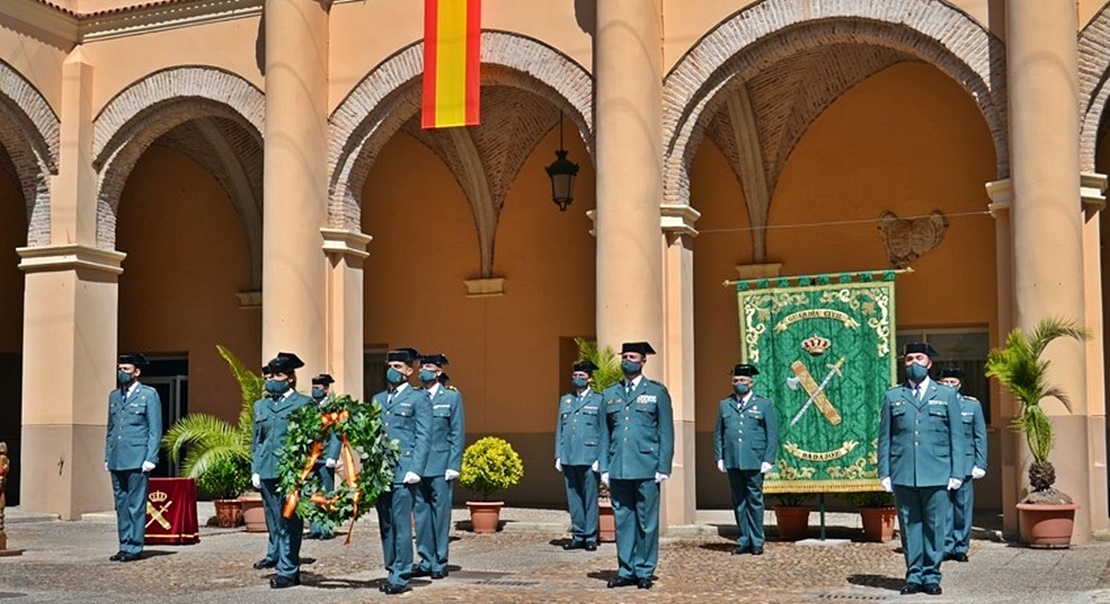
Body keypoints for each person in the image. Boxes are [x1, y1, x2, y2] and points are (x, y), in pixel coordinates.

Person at [878, 342, 966, 596]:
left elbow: (956, 438)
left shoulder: (946, 395)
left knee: (935, 526)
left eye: (919, 358)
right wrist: (885, 471)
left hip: (937, 471)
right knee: (909, 526)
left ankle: (931, 575)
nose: (913, 363)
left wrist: (957, 472)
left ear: (930, 363)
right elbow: (886, 436)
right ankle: (914, 575)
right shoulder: (893, 396)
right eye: (908, 359)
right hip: (903, 471)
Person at [599, 342, 674, 590]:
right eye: (624, 356)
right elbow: (604, 433)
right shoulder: (610, 393)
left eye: (632, 357)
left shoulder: (656, 392)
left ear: (643, 361)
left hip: (647, 467)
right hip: (619, 466)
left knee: (647, 522)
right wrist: (604, 467)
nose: (626, 361)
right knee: (623, 521)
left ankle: (644, 570)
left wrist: (663, 466)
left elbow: (666, 432)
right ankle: (626, 569)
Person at [250, 352, 313, 589]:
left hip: (290, 472)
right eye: (271, 375)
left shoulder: (303, 404)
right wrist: (255, 468)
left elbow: (312, 440)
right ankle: (285, 565)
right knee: (274, 521)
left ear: (289, 378)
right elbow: (256, 440)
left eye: (277, 375)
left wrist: (305, 470)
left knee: (290, 521)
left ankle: (288, 569)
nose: (271, 379)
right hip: (266, 469)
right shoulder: (261, 405)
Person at [374, 348, 432, 595]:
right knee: (385, 523)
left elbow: (423, 435)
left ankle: (401, 574)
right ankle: (391, 567)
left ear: (410, 371)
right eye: (390, 365)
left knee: (400, 523)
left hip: (404, 470)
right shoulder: (378, 399)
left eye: (398, 366)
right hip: (382, 472)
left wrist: (416, 468)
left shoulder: (418, 399)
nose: (392, 370)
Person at [714, 363, 779, 555]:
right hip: (733, 459)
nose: (738, 383)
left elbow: (772, 433)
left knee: (755, 500)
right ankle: (743, 539)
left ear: (751, 382)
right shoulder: (725, 404)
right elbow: (719, 432)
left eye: (742, 380)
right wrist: (719, 456)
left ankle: (757, 541)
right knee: (739, 501)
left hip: (754, 459)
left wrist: (769, 459)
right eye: (735, 380)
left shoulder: (763, 404)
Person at [105, 353, 162, 563]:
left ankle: (134, 546)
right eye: (120, 369)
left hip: (138, 458)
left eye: (126, 369)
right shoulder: (114, 396)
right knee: (121, 504)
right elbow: (111, 429)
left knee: (136, 504)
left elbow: (155, 429)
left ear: (136, 372)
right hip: (117, 458)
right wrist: (107, 455)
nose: (121, 373)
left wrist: (151, 457)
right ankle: (123, 544)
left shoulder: (148, 395)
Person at [413, 353, 465, 580]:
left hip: (441, 463)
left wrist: (454, 463)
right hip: (417, 466)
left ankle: (440, 560)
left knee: (441, 515)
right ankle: (425, 559)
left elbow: (457, 431)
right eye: (421, 367)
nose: (423, 371)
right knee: (421, 514)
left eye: (428, 367)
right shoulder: (414, 396)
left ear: (439, 372)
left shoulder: (451, 397)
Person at [938, 367, 987, 563]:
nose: (950, 385)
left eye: (953, 382)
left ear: (960, 384)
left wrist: (980, 463)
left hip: (966, 463)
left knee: (963, 507)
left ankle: (961, 546)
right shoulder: (936, 404)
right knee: (944, 507)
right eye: (946, 382)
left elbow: (980, 436)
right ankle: (945, 545)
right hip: (942, 463)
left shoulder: (971, 405)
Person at [555, 360, 604, 551]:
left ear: (589, 379)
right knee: (573, 498)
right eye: (575, 376)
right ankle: (578, 534)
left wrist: (600, 458)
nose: (577, 379)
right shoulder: (566, 399)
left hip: (589, 456)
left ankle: (590, 536)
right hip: (569, 455)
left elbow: (602, 430)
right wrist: (558, 454)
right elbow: (560, 428)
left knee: (590, 498)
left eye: (581, 376)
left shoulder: (598, 400)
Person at [305, 373, 341, 540]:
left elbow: (337, 433)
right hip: (311, 457)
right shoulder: (310, 406)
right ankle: (315, 528)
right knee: (312, 492)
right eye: (313, 388)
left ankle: (327, 528)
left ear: (326, 389)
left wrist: (333, 455)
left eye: (318, 388)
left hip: (326, 455)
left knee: (327, 492)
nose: (315, 391)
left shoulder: (333, 408)